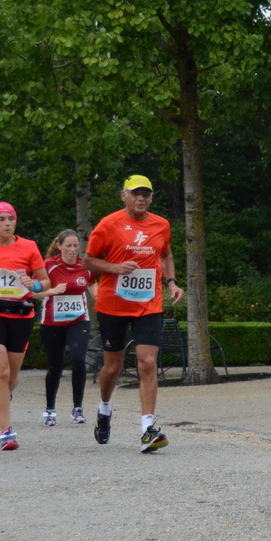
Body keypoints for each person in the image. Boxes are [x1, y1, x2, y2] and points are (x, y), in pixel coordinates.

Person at [85, 176, 184, 452]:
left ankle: (147, 429)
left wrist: (172, 282)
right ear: (123, 196)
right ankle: (104, 409)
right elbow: (88, 260)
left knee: (148, 362)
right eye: (136, 194)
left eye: (146, 194)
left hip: (148, 303)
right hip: (113, 303)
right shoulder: (108, 224)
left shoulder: (161, 224)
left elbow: (165, 254)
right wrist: (115, 268)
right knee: (112, 367)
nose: (141, 198)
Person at [0, 202, 50, 451]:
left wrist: (34, 286)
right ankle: (7, 432)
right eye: (1, 220)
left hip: (21, 314)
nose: (7, 223)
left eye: (11, 219)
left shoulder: (28, 246)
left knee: (11, 375)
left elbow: (44, 281)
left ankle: (3, 398)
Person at [39, 229, 93, 428]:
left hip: (78, 320)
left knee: (79, 359)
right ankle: (50, 409)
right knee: (55, 366)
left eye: (76, 246)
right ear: (59, 246)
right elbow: (37, 288)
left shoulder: (85, 266)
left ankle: (77, 408)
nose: (72, 250)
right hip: (52, 322)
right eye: (68, 246)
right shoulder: (48, 266)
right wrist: (51, 291)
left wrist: (103, 303)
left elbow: (92, 285)